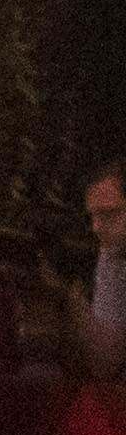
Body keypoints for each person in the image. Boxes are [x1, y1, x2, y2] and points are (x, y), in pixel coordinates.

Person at [53, 156, 126, 379]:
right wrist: (72, 300)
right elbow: (107, 363)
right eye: (93, 216)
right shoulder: (113, 253)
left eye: (109, 214)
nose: (95, 227)